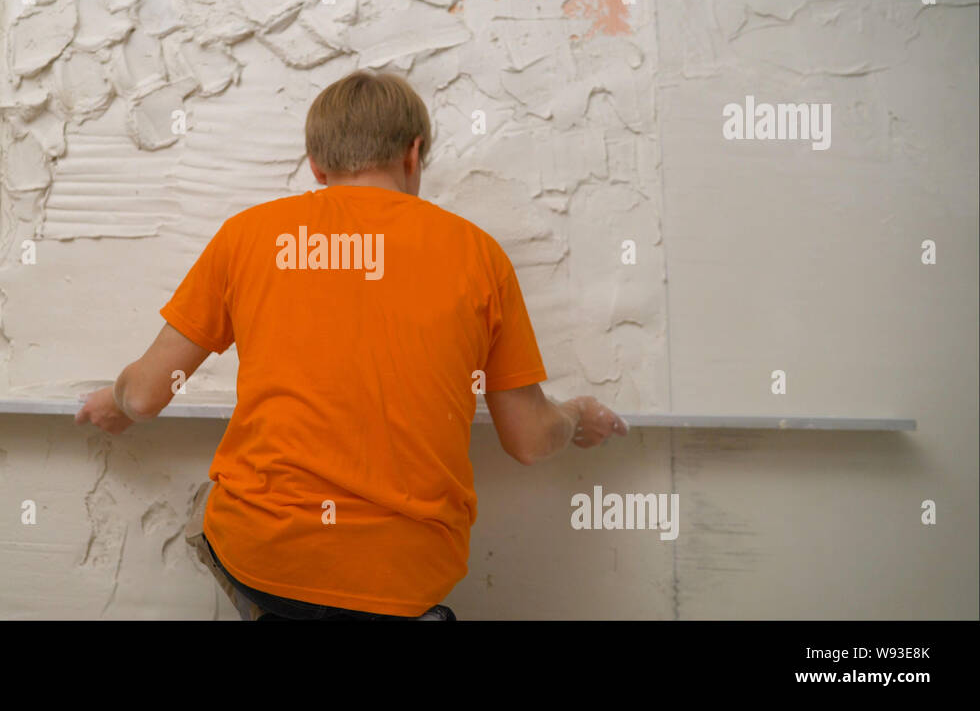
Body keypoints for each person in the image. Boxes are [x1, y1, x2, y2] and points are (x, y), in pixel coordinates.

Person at [76, 70, 628, 620]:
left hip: (263, 557)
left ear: (318, 166)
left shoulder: (248, 237)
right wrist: (579, 415)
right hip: (403, 576)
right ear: (413, 154)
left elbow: (145, 396)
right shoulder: (478, 256)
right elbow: (530, 441)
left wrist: (113, 400)